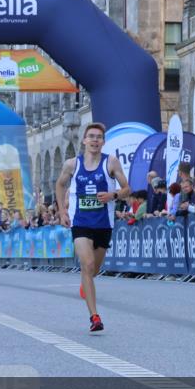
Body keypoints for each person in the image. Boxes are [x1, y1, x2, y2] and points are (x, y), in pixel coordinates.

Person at [56, 122, 131, 332]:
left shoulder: (111, 163)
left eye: (99, 137)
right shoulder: (73, 164)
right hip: (80, 223)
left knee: (93, 270)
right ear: (84, 140)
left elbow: (127, 188)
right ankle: (94, 317)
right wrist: (62, 211)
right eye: (92, 136)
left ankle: (85, 283)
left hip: (103, 224)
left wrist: (113, 195)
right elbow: (60, 184)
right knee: (87, 265)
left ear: (103, 141)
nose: (95, 140)